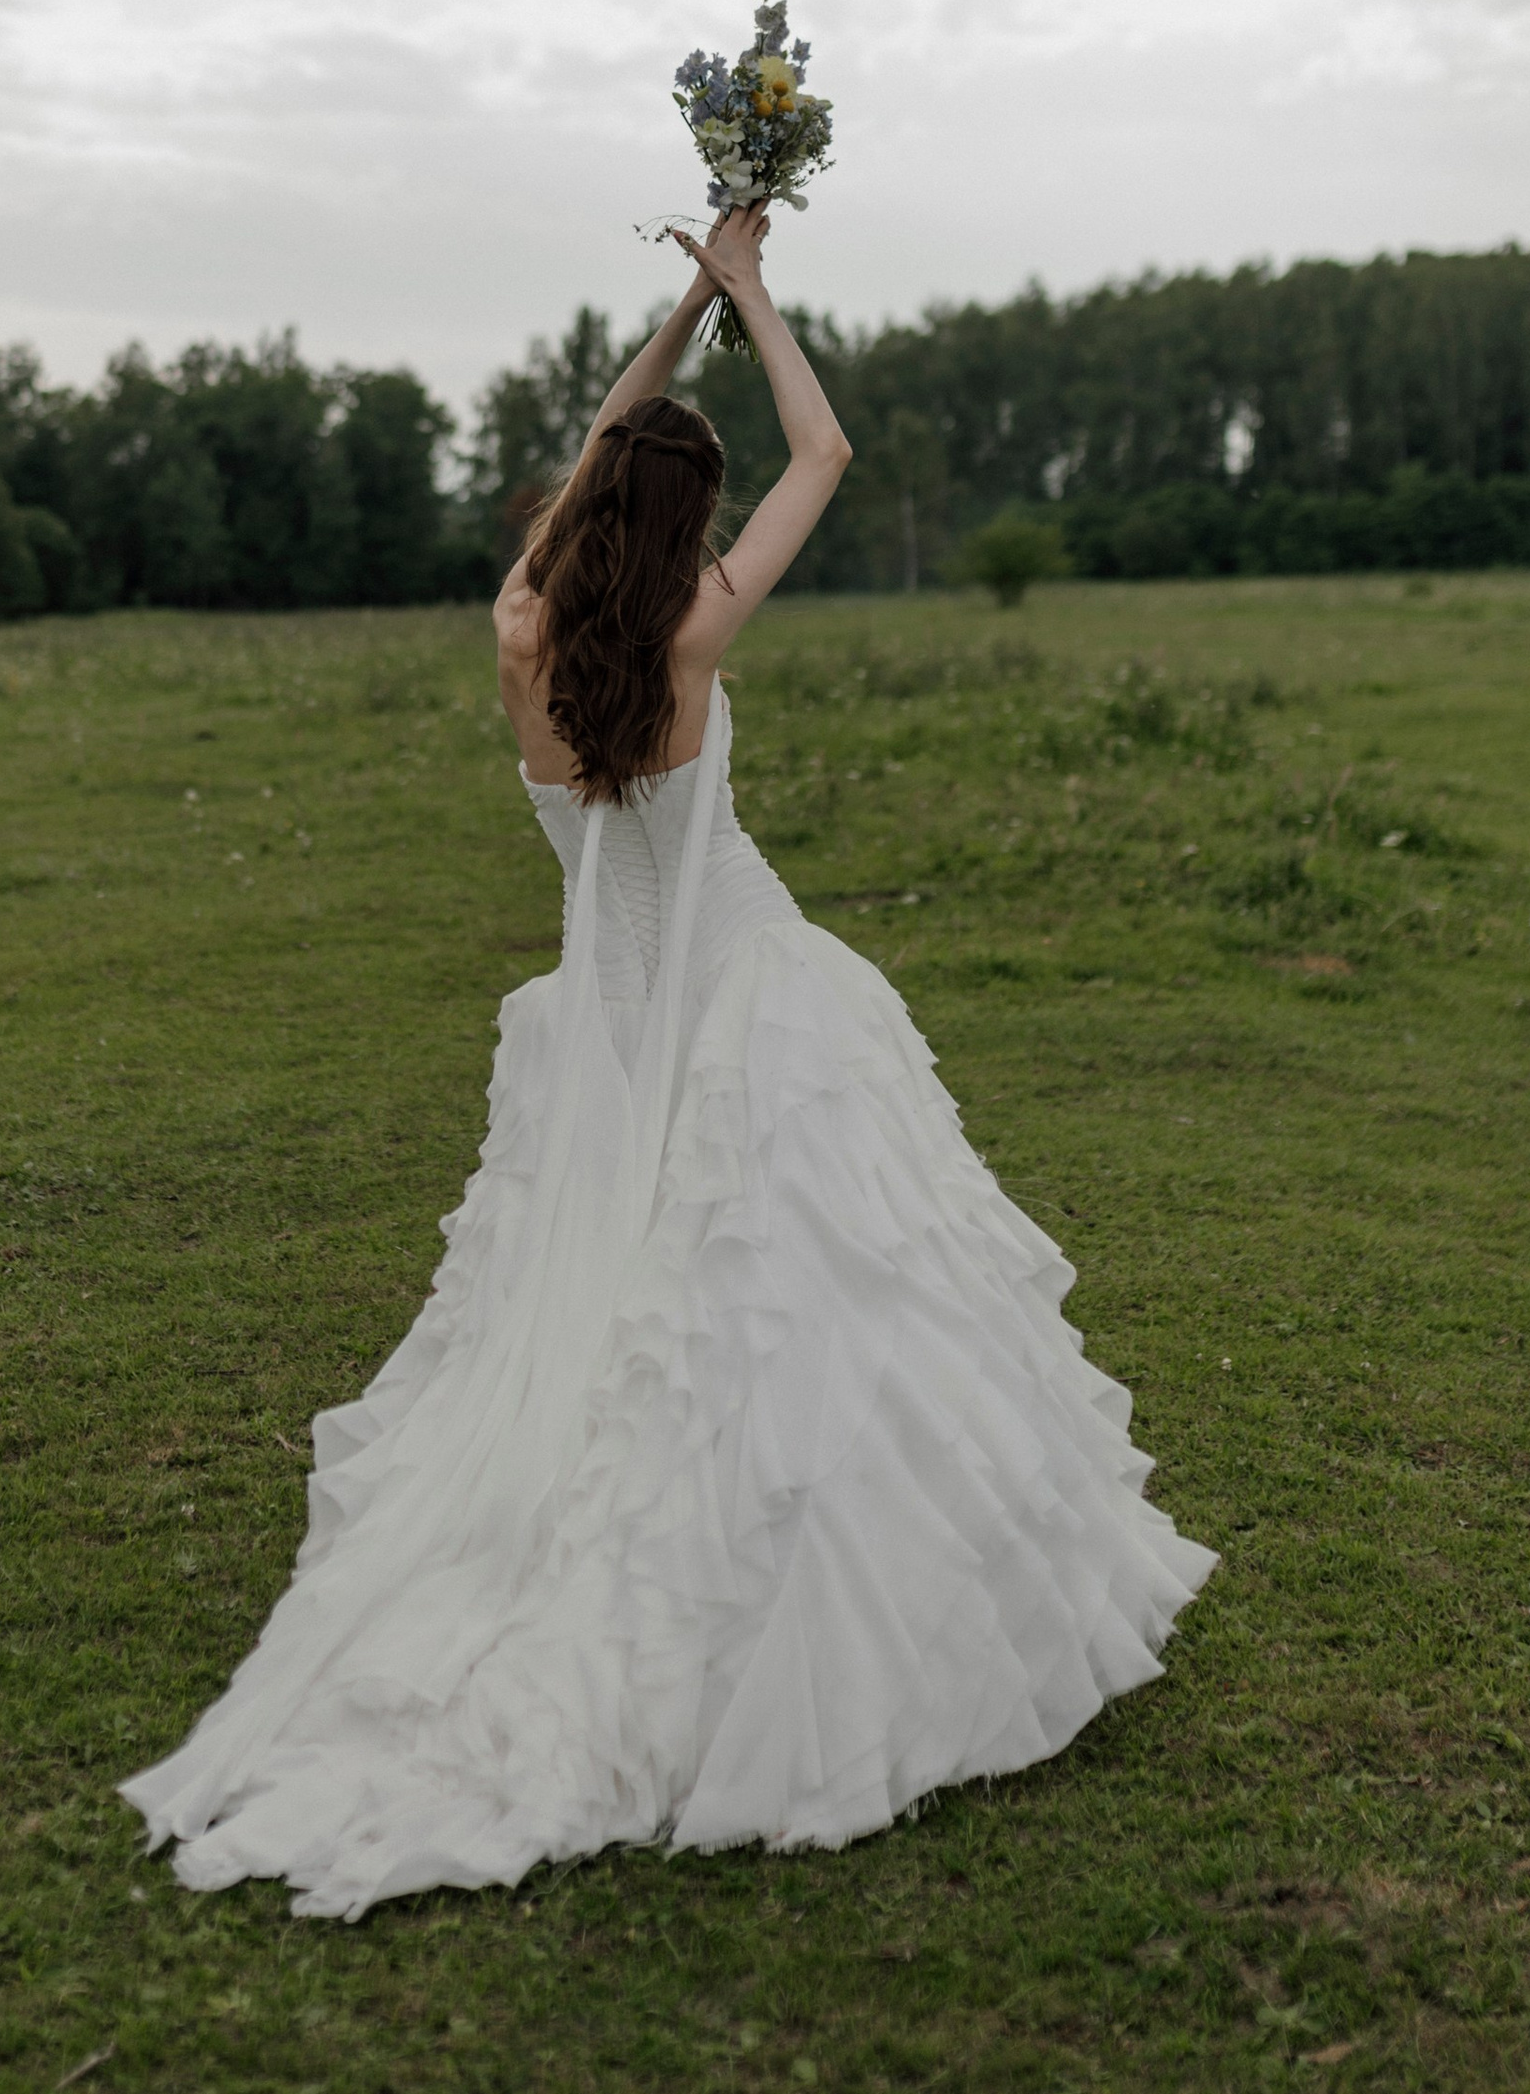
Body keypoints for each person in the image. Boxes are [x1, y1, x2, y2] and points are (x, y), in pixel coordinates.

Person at [121, 208, 1214, 1919]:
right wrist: (751, 289)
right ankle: (822, 1588)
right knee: (801, 1301)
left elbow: (588, 465)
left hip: (610, 1017)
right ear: (690, 522)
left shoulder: (517, 631)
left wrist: (681, 308)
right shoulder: (697, 633)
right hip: (744, 981)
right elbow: (830, 444)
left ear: (582, 508)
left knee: (637, 1309)